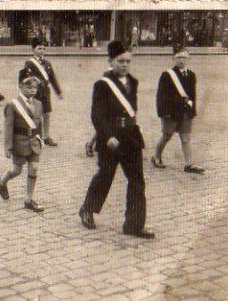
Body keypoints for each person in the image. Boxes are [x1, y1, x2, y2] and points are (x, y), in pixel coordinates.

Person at [79, 41, 154, 239]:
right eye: (120, 61)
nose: (125, 65)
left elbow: (132, 110)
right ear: (110, 61)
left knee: (137, 181)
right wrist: (107, 136)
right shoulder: (102, 85)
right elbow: (97, 115)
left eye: (128, 61)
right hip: (110, 139)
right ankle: (87, 209)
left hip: (131, 138)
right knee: (105, 176)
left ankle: (134, 225)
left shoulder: (134, 82)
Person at [151, 44, 205, 174]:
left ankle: (188, 164)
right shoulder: (167, 75)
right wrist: (164, 113)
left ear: (188, 58)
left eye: (184, 57)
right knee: (166, 136)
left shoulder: (191, 75)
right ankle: (156, 156)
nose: (181, 60)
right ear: (174, 58)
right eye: (179, 57)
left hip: (186, 112)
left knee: (185, 138)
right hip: (171, 112)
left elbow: (192, 95)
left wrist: (193, 111)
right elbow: (161, 96)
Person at [0, 68, 45, 213]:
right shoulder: (13, 105)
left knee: (34, 167)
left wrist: (41, 139)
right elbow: (8, 127)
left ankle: (28, 200)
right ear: (20, 86)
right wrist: (8, 147)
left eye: (35, 87)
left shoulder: (38, 104)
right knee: (16, 170)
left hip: (34, 142)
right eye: (28, 86)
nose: (32, 90)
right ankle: (2, 181)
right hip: (19, 142)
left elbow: (39, 124)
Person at [24, 37, 64, 146]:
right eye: (39, 48)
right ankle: (34, 136)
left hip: (46, 93)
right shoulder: (29, 63)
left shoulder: (47, 63)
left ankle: (46, 136)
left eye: (43, 48)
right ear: (33, 50)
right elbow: (27, 79)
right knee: (36, 115)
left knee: (46, 114)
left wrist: (58, 92)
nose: (41, 51)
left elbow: (52, 78)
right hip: (35, 93)